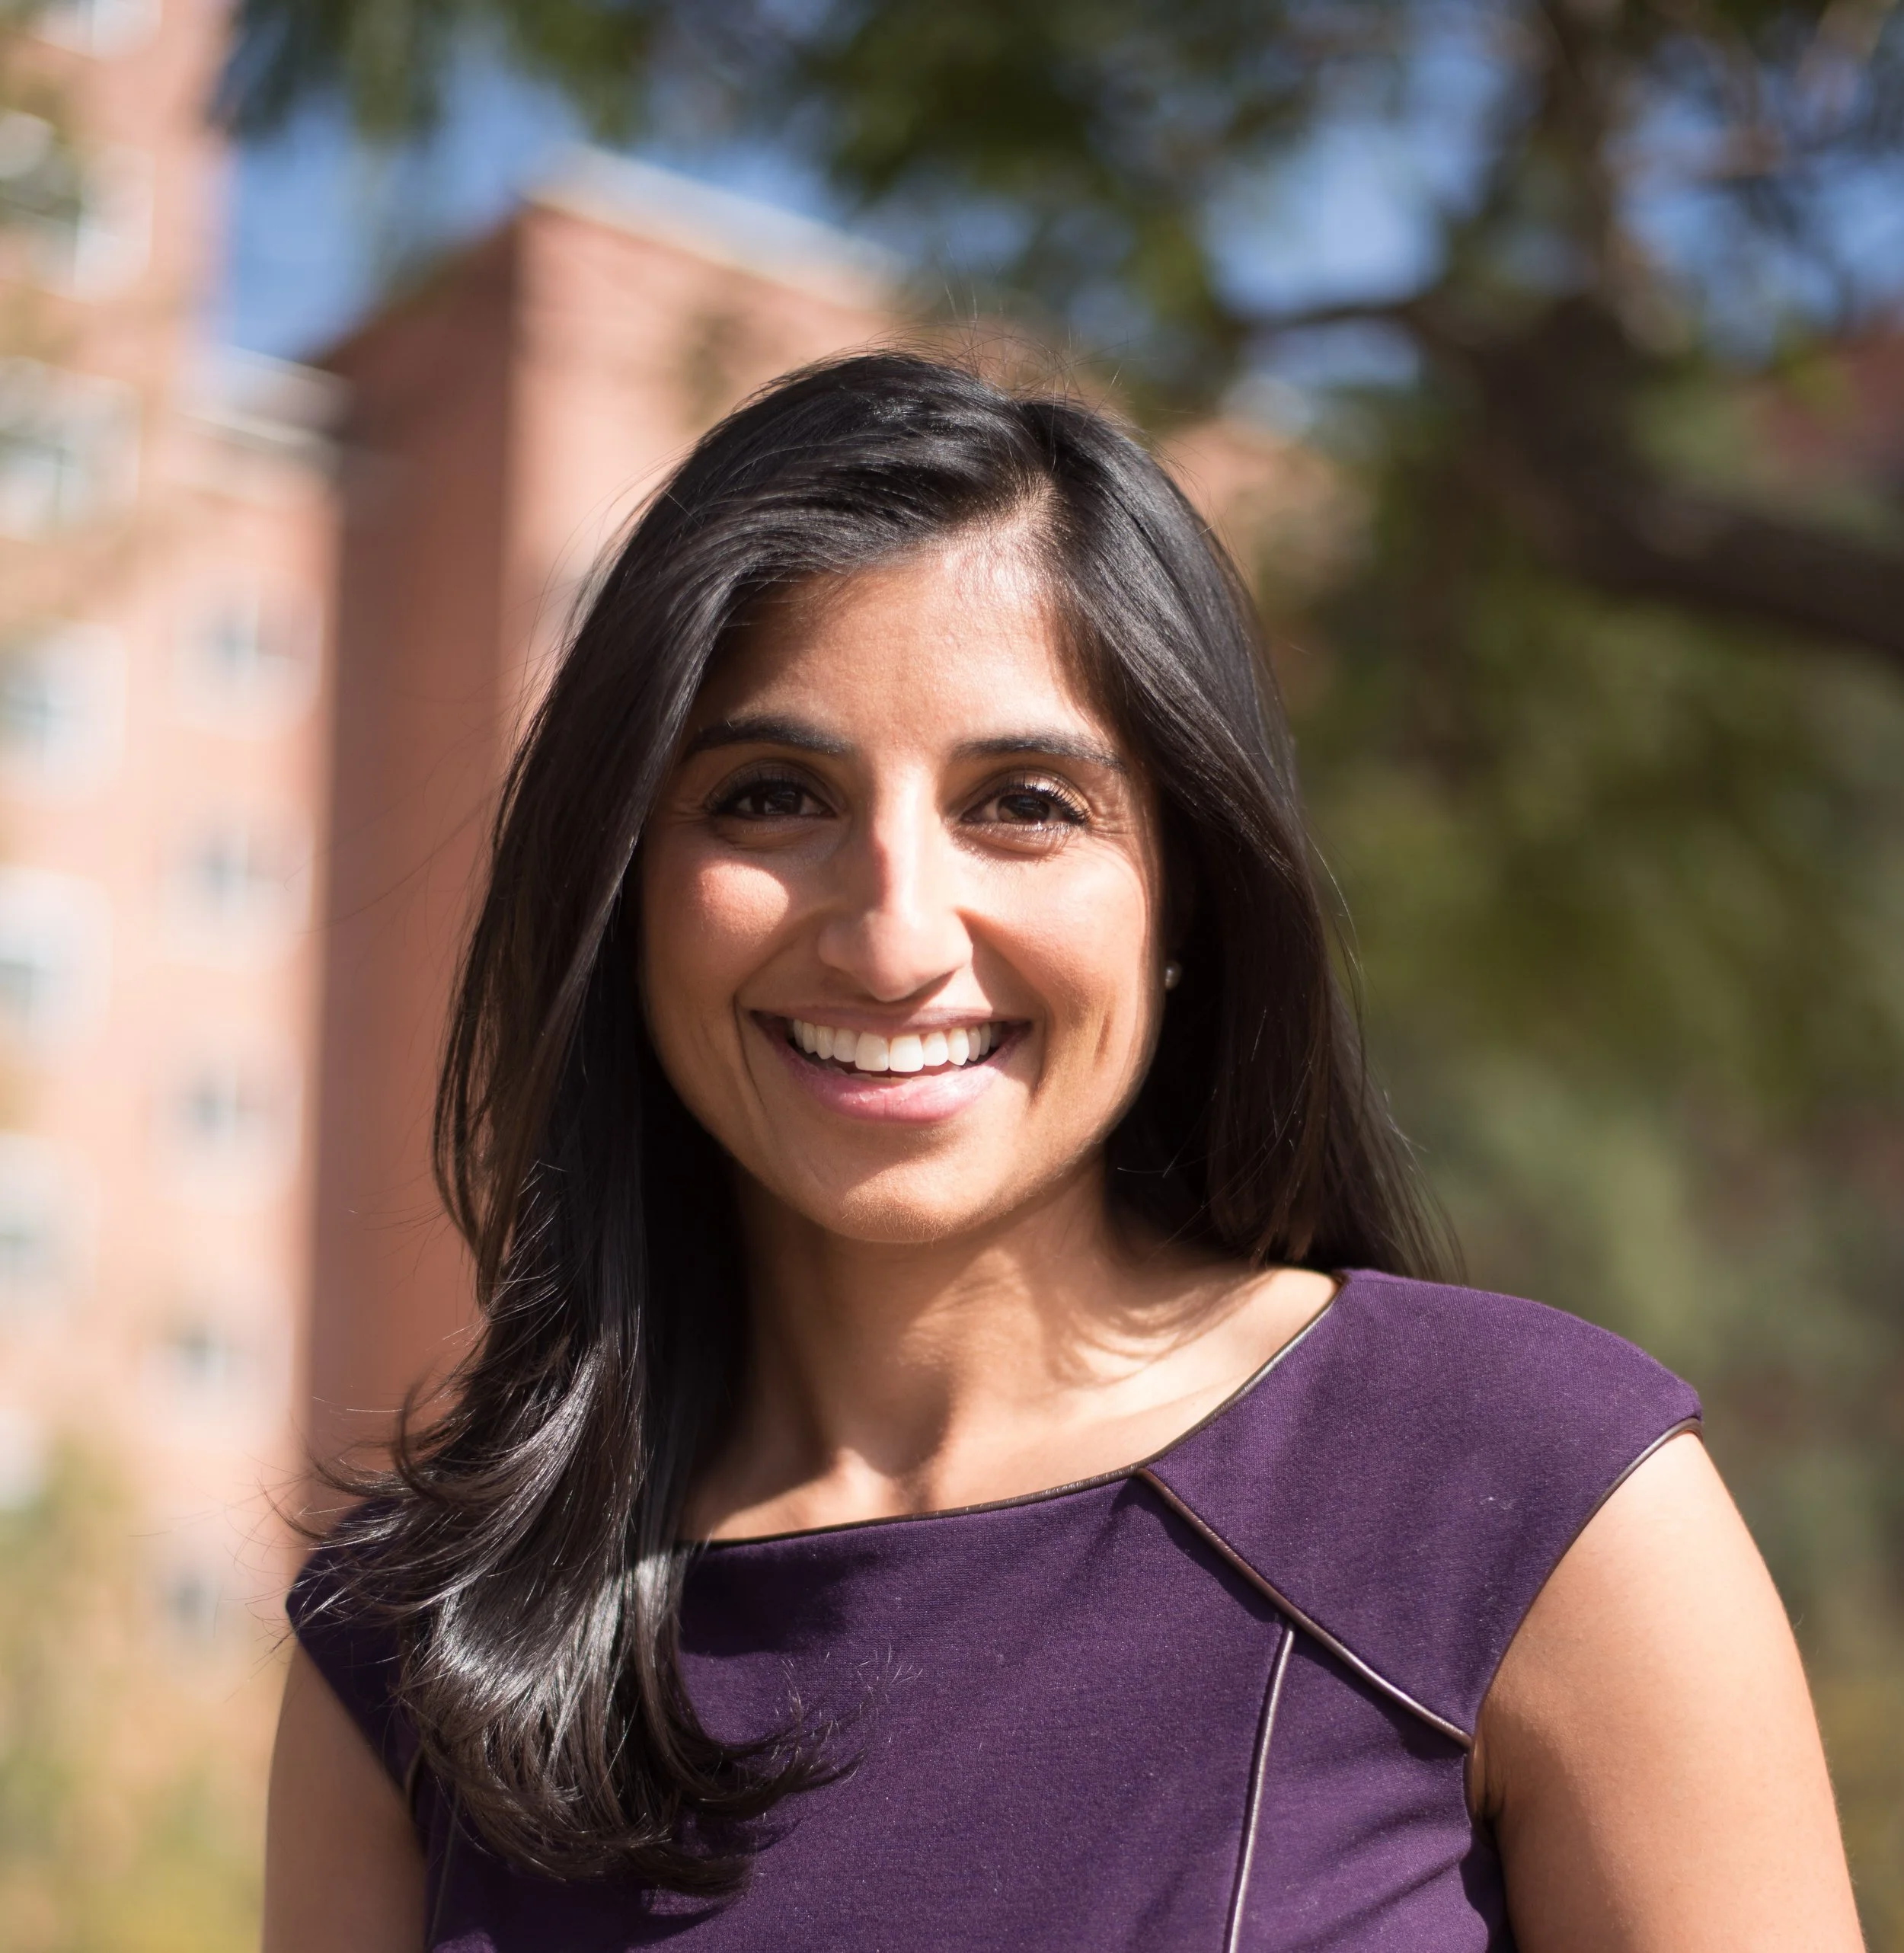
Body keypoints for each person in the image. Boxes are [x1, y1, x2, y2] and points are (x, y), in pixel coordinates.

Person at [264, 353, 1863, 1953]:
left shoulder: (1524, 1491)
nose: (893, 938)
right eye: (769, 797)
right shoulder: (408, 1644)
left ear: (1185, 895)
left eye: (1024, 803)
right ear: (624, 887)